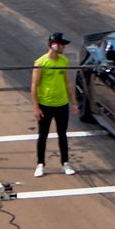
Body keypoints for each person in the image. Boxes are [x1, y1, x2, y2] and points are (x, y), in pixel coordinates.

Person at [31, 32, 75, 177]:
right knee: (43, 135)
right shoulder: (41, 63)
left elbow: (68, 82)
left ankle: (65, 163)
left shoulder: (64, 61)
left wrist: (74, 102)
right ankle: (40, 164)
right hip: (45, 105)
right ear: (54, 45)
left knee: (62, 134)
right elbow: (34, 85)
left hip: (62, 104)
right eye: (62, 44)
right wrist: (36, 107)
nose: (64, 47)